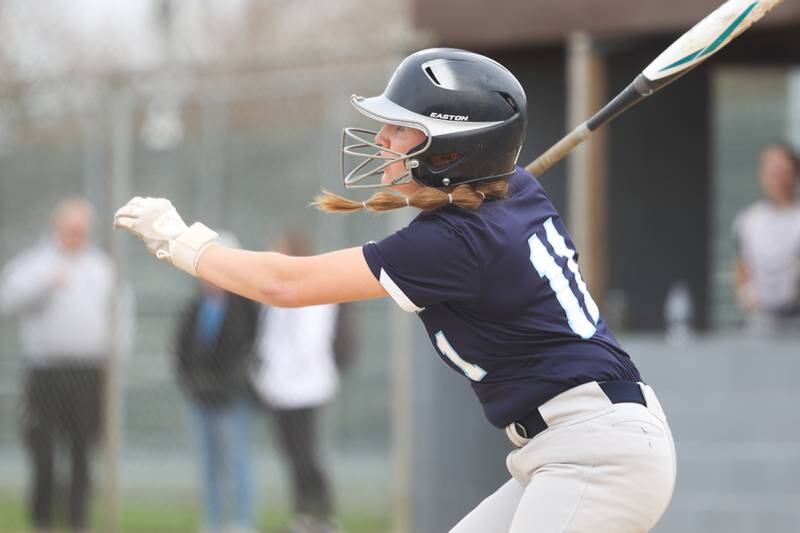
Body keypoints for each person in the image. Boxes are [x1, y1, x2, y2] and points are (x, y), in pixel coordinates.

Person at [113, 48, 677, 533]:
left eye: (402, 127)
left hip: (597, 454)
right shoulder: (512, 195)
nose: (382, 138)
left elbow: (284, 283)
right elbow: (482, 207)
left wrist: (183, 243)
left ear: (451, 150)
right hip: (569, 448)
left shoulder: (455, 240)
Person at [0, 197, 116, 532]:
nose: (77, 236)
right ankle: (43, 520)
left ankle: (79, 520)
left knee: (82, 451)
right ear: (57, 227)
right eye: (71, 229)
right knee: (44, 451)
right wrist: (43, 284)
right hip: (47, 371)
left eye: (82, 230)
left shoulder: (101, 267)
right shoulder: (36, 263)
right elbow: (6, 299)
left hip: (89, 372)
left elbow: (119, 314)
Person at [250, 230, 341, 533]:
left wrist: (288, 371)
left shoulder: (314, 292)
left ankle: (324, 515)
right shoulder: (276, 295)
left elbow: (310, 341)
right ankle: (302, 513)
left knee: (306, 453)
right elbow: (270, 340)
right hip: (279, 388)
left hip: (306, 388)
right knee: (290, 453)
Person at [173, 232, 260, 533]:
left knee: (236, 462)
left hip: (231, 398)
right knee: (208, 465)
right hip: (202, 398)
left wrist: (229, 382)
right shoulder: (195, 307)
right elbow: (182, 350)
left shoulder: (244, 308)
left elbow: (248, 350)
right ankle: (212, 523)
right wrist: (192, 381)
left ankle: (241, 522)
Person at [733, 144, 800, 335]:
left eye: (782, 171)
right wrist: (747, 296)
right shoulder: (749, 220)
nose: (777, 178)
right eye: (771, 171)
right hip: (761, 321)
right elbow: (740, 265)